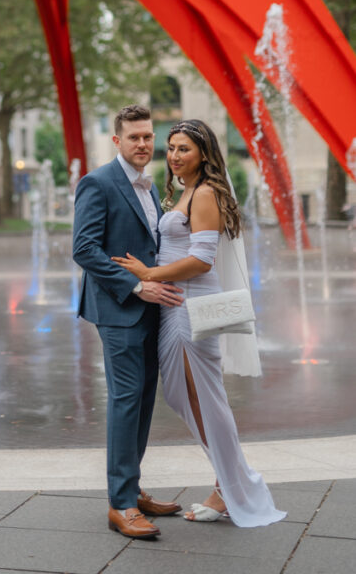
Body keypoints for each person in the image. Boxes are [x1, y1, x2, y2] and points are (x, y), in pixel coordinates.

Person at [112, 119, 286, 527]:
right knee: (186, 398)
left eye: (183, 148)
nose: (173, 155)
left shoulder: (204, 193)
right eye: (170, 147)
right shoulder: (186, 191)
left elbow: (202, 260)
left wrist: (148, 274)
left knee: (205, 401)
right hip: (175, 307)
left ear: (203, 154)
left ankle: (230, 488)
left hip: (191, 307)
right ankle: (230, 481)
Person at [72, 104, 184, 540]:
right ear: (116, 141)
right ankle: (120, 504)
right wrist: (138, 287)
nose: (143, 144)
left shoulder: (150, 186)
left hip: (154, 306)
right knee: (124, 401)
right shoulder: (97, 182)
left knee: (141, 401)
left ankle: (132, 489)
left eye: (147, 137)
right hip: (119, 309)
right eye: (134, 137)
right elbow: (84, 249)